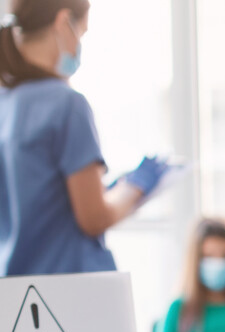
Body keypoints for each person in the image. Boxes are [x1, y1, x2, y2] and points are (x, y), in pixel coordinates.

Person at [0, 0, 170, 276]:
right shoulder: (67, 105)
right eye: (82, 33)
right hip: (69, 293)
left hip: (13, 294)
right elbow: (94, 218)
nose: (79, 45)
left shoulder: (5, 103)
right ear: (63, 21)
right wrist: (138, 186)